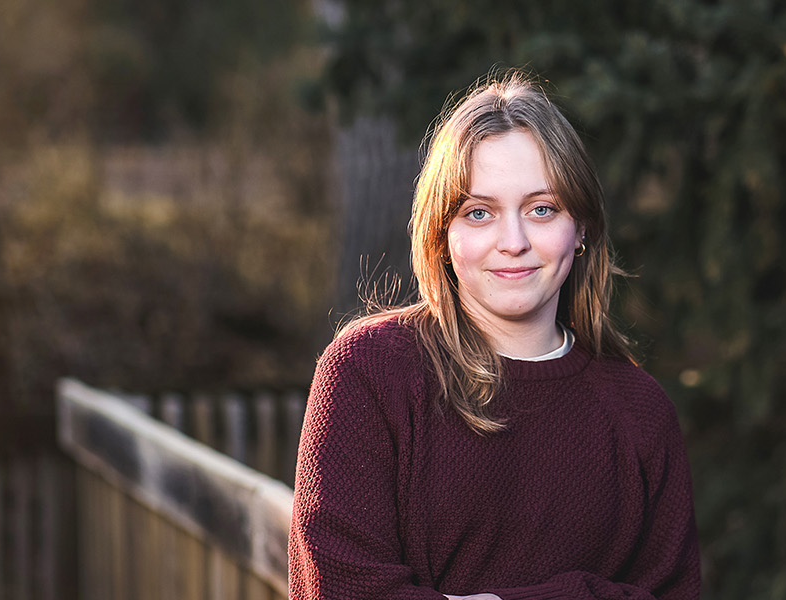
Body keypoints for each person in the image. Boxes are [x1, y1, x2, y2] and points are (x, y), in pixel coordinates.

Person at [289, 71, 701, 600]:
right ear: (442, 235)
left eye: (542, 209)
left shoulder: (642, 414)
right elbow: (338, 590)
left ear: (581, 230)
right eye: (478, 212)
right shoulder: (368, 371)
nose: (513, 242)